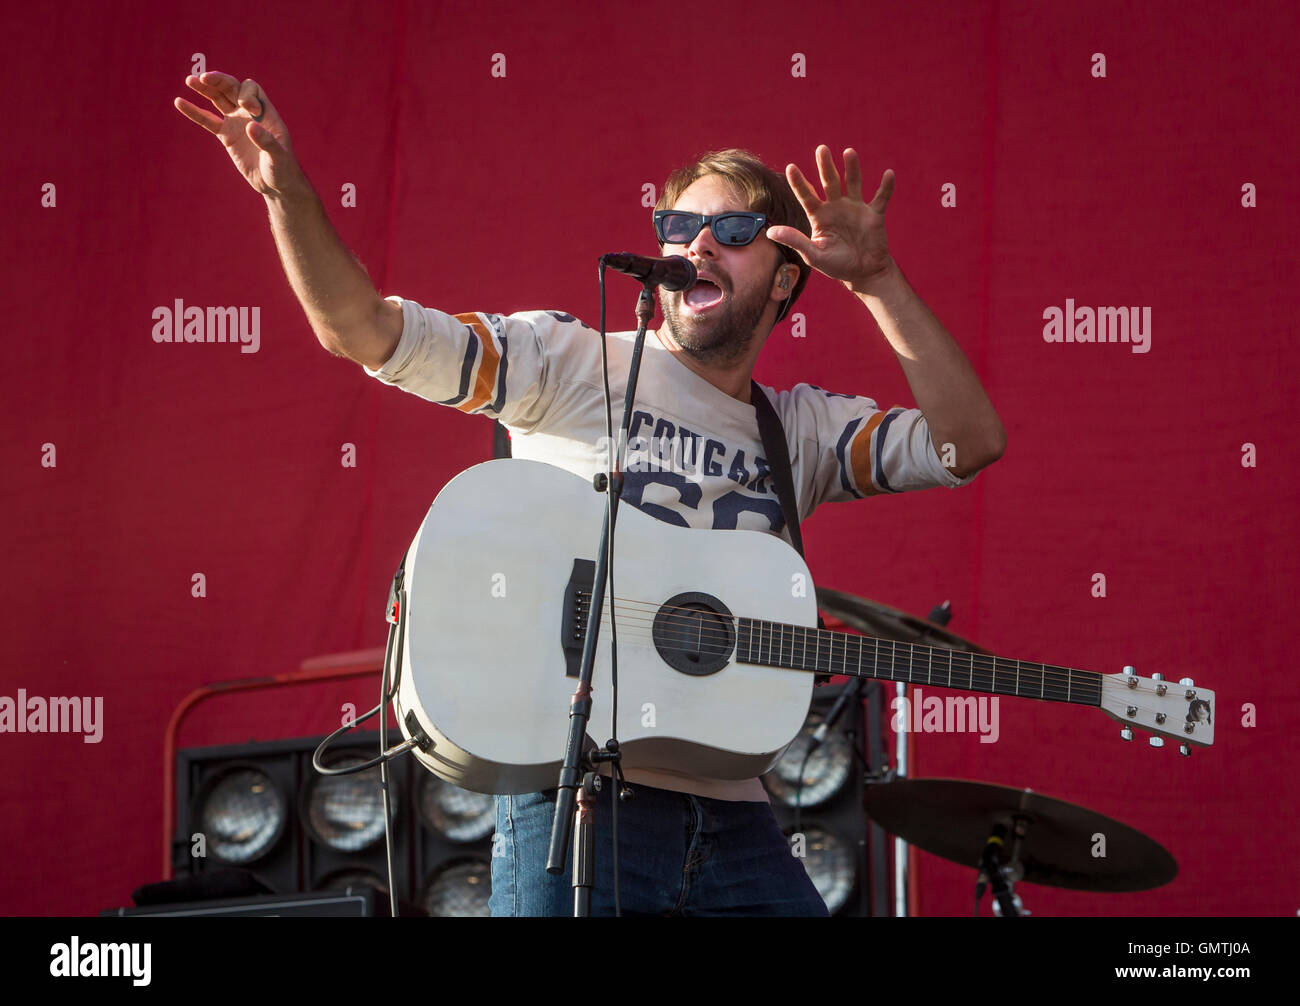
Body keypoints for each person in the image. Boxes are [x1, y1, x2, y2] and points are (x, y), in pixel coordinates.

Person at [175, 72, 1007, 917]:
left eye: (733, 228)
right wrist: (285, 188)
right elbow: (364, 330)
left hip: (741, 821)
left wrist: (877, 282)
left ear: (787, 279)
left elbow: (970, 443)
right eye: (680, 227)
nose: (699, 245)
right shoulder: (565, 360)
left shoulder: (800, 431)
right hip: (571, 801)